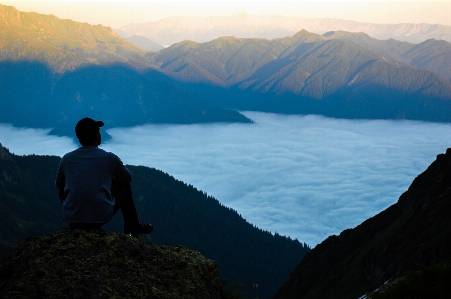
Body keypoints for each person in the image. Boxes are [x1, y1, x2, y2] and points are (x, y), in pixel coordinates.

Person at [55, 117, 153, 236]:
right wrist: (109, 179)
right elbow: (128, 178)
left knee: (63, 187)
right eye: (99, 132)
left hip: (72, 216)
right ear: (97, 135)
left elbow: (59, 185)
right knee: (124, 185)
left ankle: (75, 213)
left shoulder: (67, 159)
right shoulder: (109, 158)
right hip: (100, 216)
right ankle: (133, 225)